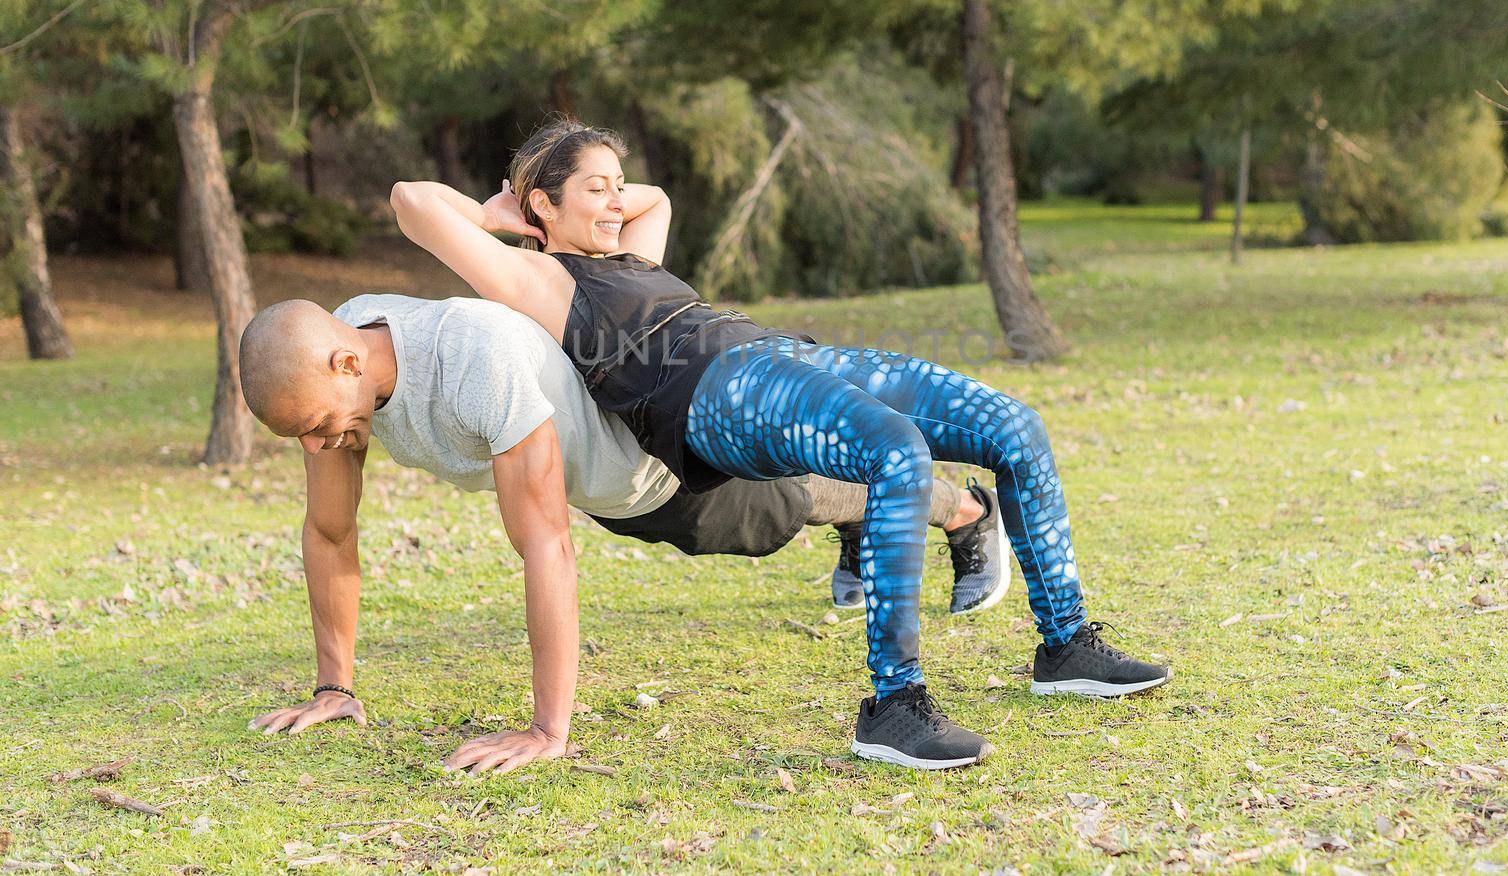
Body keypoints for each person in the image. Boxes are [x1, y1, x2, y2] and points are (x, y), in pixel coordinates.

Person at [390, 120, 1173, 770]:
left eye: (615, 185)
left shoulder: (630, 257)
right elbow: (413, 201)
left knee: (1013, 427)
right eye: (596, 189)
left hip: (777, 353)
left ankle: (1066, 647)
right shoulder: (544, 283)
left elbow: (653, 198)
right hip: (710, 397)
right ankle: (893, 707)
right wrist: (505, 218)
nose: (617, 201)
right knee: (895, 452)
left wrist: (597, 192)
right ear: (541, 206)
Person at [236, 293, 997, 774]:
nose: (316, 447)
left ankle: (964, 510)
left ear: (345, 362)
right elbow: (330, 533)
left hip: (661, 465)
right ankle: (871, 518)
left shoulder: (474, 361)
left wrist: (546, 730)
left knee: (785, 506)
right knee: (792, 504)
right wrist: (335, 689)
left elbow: (545, 546)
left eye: (312, 427)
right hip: (600, 480)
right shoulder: (346, 353)